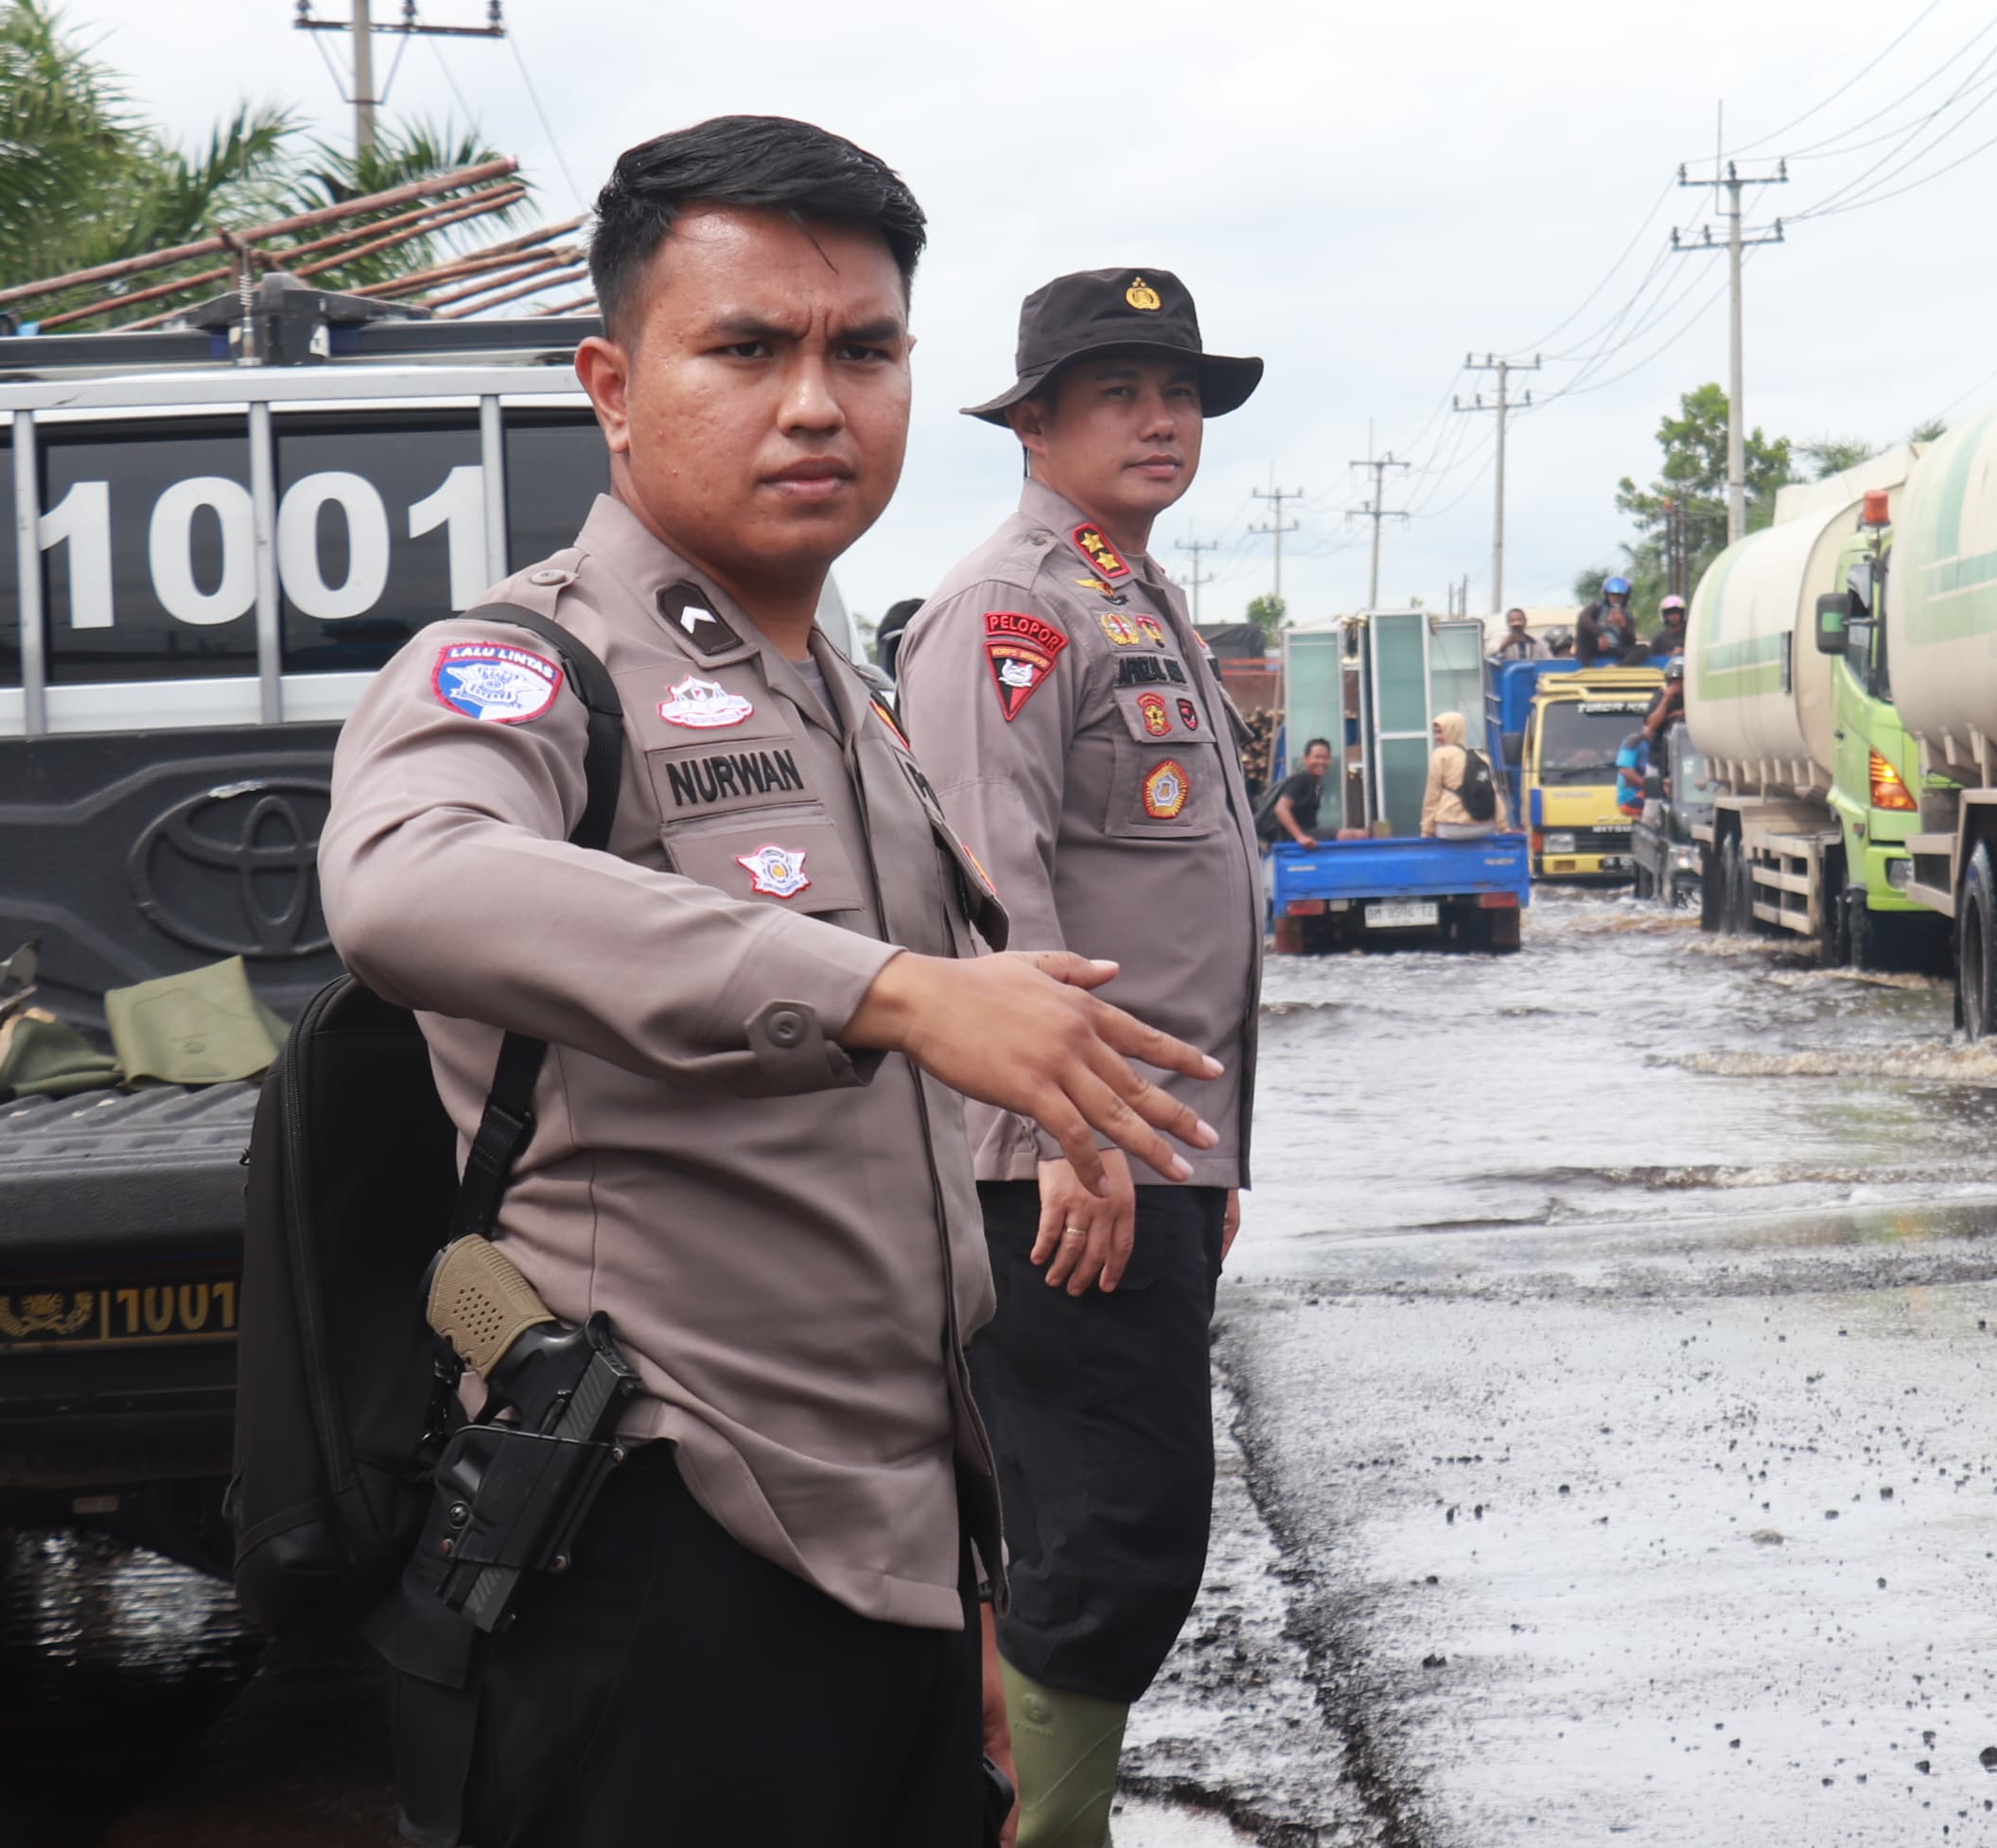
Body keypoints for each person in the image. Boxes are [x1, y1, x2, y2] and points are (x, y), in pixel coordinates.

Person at [320, 119, 1221, 1848]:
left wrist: (966, 1597)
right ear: (613, 379)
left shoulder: (847, 692)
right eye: (746, 348)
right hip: (658, 1544)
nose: (817, 401)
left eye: (863, 349)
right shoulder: (526, 664)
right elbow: (407, 880)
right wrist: (888, 986)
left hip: (891, 1555)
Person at [901, 266, 1270, 1848]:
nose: (1162, 419)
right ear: (1034, 419)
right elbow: (994, 890)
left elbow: (1186, 909)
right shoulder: (1012, 608)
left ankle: (1018, 1790)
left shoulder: (1137, 592)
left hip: (1151, 1145)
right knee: (1116, 1525)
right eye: (1120, 391)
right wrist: (1074, 1138)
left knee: (1096, 1521)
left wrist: (1211, 1155)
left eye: (1179, 391)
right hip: (1070, 1157)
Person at [1417, 706, 1478, 833]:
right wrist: (1504, 827)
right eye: (1435, 732)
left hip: (1451, 827)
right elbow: (1494, 793)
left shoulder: (1440, 755)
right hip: (1482, 826)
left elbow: (1432, 795)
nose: (1436, 737)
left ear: (1452, 731)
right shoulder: (1480, 756)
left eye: (1440, 732)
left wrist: (1426, 830)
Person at [1262, 738, 1332, 847]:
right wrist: (1300, 837)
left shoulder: (1314, 785)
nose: (1321, 762)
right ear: (1306, 759)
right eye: (1317, 757)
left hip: (1304, 833)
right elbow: (1281, 809)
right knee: (1354, 835)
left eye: (1325, 758)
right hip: (1291, 837)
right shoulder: (1301, 780)